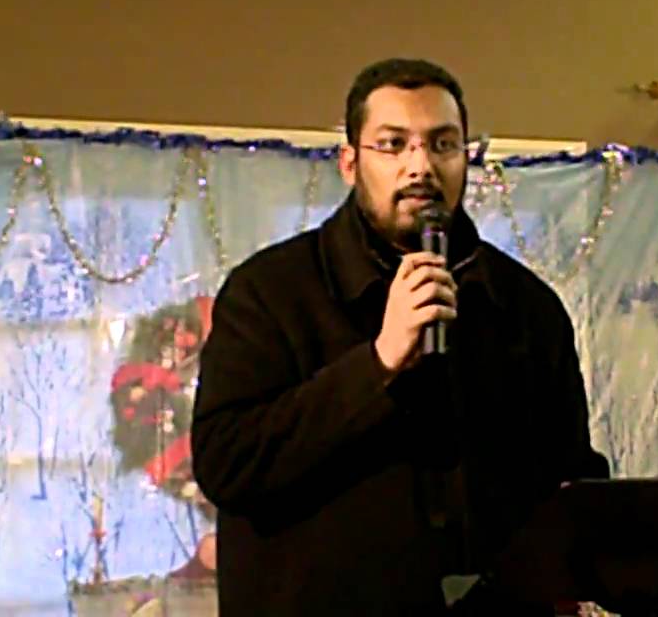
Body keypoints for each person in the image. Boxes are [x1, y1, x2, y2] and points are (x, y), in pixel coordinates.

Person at [191, 58, 611, 615]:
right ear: (349, 163)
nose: (421, 166)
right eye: (393, 145)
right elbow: (227, 466)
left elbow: (569, 478)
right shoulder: (269, 292)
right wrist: (378, 363)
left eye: (443, 144)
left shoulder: (525, 304)